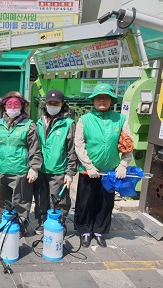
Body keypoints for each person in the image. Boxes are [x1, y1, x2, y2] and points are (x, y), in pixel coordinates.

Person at [74, 83, 133, 248]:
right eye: (99, 98)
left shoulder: (120, 119)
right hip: (89, 171)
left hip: (110, 172)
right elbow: (79, 145)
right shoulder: (85, 119)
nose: (102, 100)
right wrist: (89, 166)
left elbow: (127, 144)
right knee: (85, 202)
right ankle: (84, 231)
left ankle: (99, 230)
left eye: (106, 98)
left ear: (111, 100)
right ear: (93, 100)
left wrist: (123, 164)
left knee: (105, 202)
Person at [0, 91, 42, 237]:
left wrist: (34, 168)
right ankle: (8, 221)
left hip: (20, 169)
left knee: (21, 201)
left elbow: (35, 148)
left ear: (22, 106)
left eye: (16, 104)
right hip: (2, 169)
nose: (12, 107)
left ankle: (20, 226)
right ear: (4, 107)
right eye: (9, 104)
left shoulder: (29, 125)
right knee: (3, 199)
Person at [33, 90, 77, 234]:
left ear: (62, 104)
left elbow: (72, 150)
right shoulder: (39, 122)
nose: (53, 105)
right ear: (45, 104)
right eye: (50, 103)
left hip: (58, 170)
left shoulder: (68, 124)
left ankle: (59, 223)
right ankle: (42, 222)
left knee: (59, 200)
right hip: (41, 169)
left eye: (56, 103)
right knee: (40, 198)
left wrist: (70, 172)